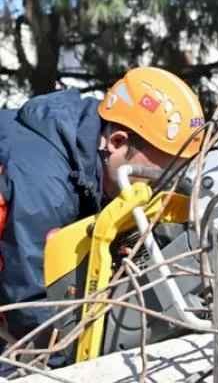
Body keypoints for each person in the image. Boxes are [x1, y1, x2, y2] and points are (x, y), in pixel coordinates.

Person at [0, 67, 205, 359]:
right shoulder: (43, 186)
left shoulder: (90, 166)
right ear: (117, 142)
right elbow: (30, 308)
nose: (159, 191)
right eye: (155, 177)